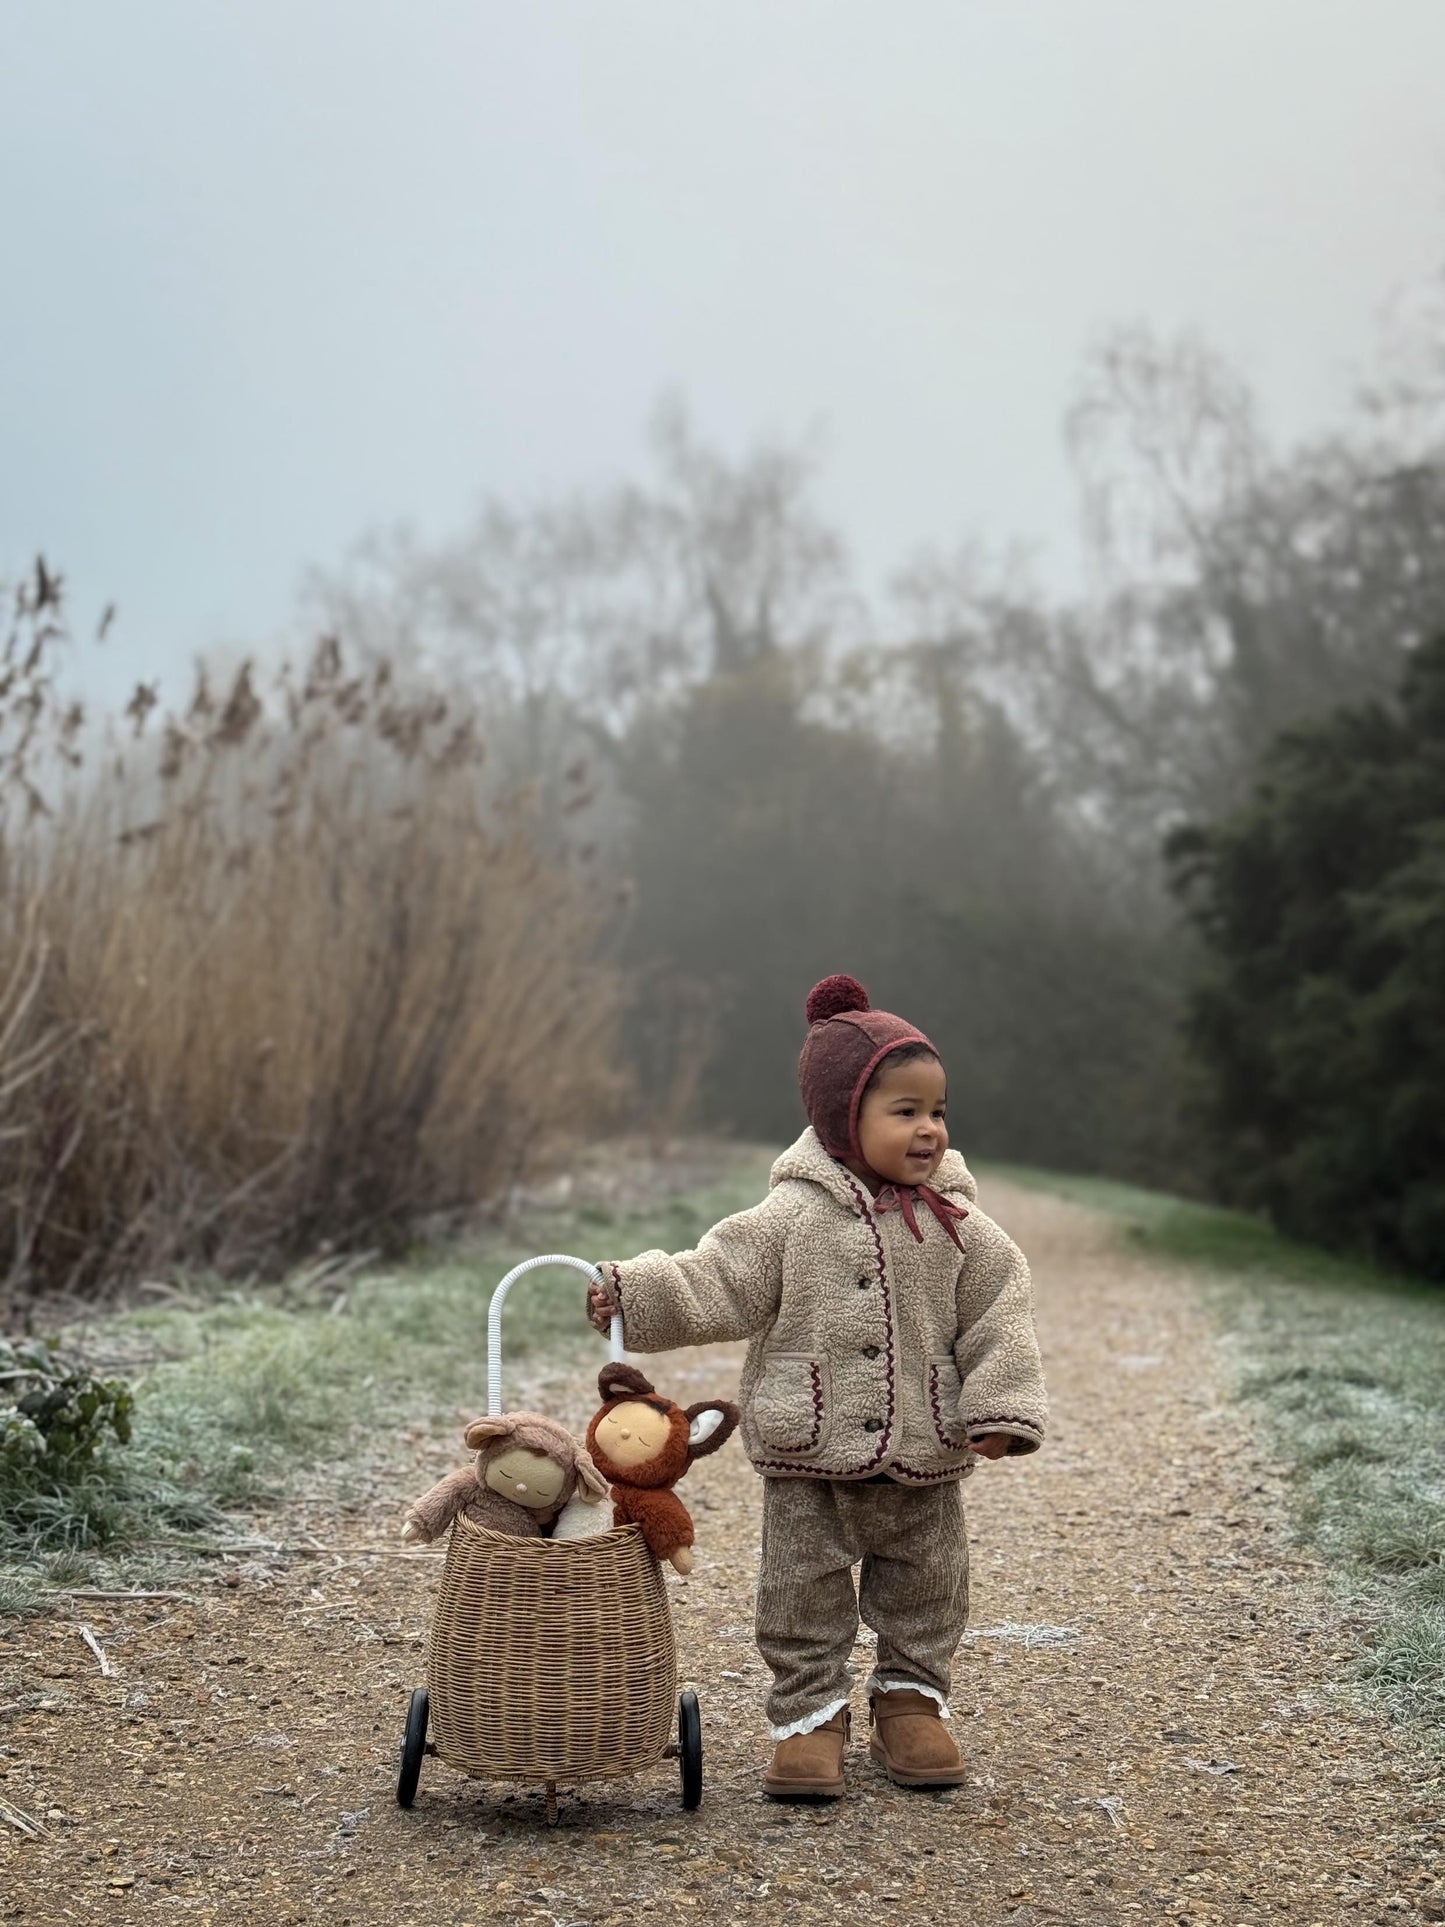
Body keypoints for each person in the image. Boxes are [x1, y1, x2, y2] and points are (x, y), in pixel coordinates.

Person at [585, 973, 1048, 1800]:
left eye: (937, 1111)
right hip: (808, 1451)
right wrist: (636, 1292)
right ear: (842, 1117)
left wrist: (999, 1408)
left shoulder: (961, 1229)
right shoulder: (789, 1219)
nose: (928, 1130)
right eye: (903, 1110)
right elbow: (715, 1279)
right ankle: (809, 1714)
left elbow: (999, 1316)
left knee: (927, 1583)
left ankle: (911, 1699)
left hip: (923, 1447)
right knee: (800, 1592)